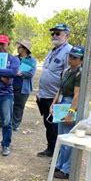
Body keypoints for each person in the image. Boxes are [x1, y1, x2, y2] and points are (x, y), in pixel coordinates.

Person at [37, 23, 72, 157]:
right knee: (48, 124)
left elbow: (67, 76)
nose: (55, 36)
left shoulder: (68, 51)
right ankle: (51, 149)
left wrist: (58, 98)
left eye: (58, 33)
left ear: (66, 35)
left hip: (55, 96)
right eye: (53, 33)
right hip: (45, 95)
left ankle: (58, 154)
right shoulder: (52, 50)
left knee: (57, 127)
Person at [50, 46, 84, 180]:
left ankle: (66, 169)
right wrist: (53, 104)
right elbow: (60, 90)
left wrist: (71, 112)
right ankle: (58, 165)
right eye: (70, 56)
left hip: (70, 105)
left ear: (81, 60)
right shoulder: (66, 71)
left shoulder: (80, 74)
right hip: (62, 102)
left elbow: (77, 95)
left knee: (69, 139)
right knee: (61, 137)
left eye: (75, 57)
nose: (71, 59)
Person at [12, 40, 37, 131]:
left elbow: (31, 74)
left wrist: (20, 73)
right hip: (11, 85)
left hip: (23, 87)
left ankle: (15, 125)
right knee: (7, 104)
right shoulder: (14, 58)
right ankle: (3, 122)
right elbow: (10, 70)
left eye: (20, 47)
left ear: (25, 49)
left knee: (19, 106)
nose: (18, 48)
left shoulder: (31, 60)